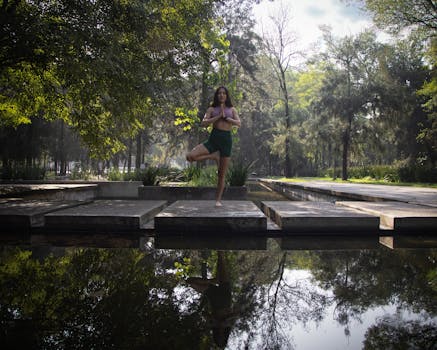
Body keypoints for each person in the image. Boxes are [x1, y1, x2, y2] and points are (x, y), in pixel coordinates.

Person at [186, 86, 241, 207]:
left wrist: (227, 118)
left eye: (224, 93)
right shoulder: (211, 109)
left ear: (227, 96)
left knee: (221, 174)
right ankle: (212, 156)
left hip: (226, 141)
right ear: (216, 96)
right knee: (190, 156)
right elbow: (203, 123)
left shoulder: (232, 109)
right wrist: (217, 117)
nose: (221, 95)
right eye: (219, 93)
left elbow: (239, 123)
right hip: (213, 139)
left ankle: (218, 200)